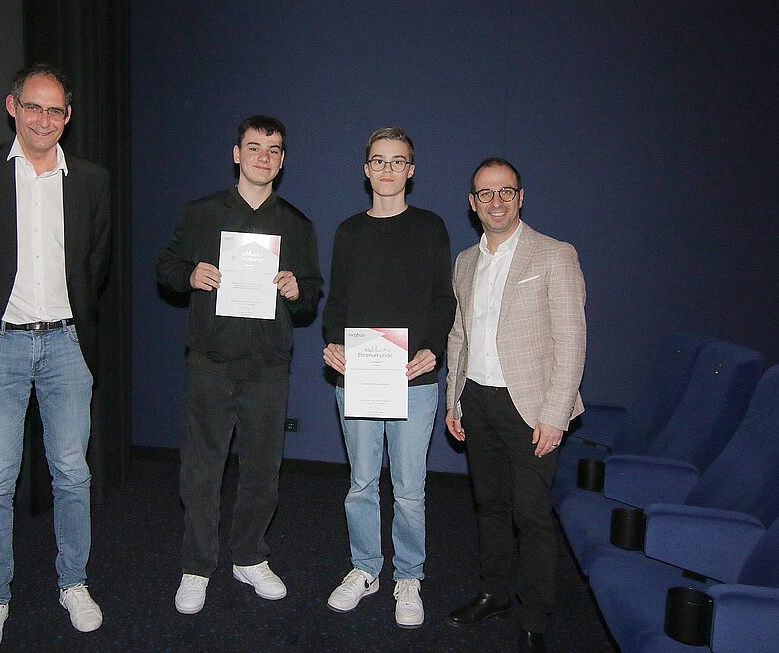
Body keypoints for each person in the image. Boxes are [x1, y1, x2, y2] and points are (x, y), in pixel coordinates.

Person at [0, 63, 111, 653]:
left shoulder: (90, 179)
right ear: (12, 107)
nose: (44, 119)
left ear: (68, 117)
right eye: (33, 107)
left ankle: (74, 582)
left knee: (72, 473)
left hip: (67, 345)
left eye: (56, 110)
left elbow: (95, 262)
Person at [157, 115, 322, 615]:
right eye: (254, 148)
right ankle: (197, 565)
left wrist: (298, 291)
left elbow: (312, 295)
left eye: (274, 150)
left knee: (261, 470)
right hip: (210, 363)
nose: (264, 157)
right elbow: (166, 267)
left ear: (283, 160)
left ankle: (250, 557)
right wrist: (191, 274)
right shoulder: (202, 212)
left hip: (268, 368)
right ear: (236, 154)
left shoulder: (297, 224)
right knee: (201, 470)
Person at [445, 158, 586, 653]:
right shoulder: (465, 261)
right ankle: (495, 593)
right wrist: (454, 398)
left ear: (521, 197)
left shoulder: (553, 254)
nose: (496, 201)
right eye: (485, 194)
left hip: (531, 408)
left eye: (505, 191)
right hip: (478, 402)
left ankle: (534, 619)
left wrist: (556, 412)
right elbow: (459, 334)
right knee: (490, 506)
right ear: (473, 203)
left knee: (531, 515)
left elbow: (571, 341)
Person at [321, 127, 454, 628]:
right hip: (359, 375)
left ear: (411, 171)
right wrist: (331, 342)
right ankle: (364, 568)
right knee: (359, 484)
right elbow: (337, 302)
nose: (387, 170)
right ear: (366, 169)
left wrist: (431, 350)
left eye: (398, 162)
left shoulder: (431, 228)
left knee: (408, 489)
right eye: (378, 161)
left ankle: (409, 577)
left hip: (413, 379)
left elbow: (444, 301)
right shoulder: (349, 231)